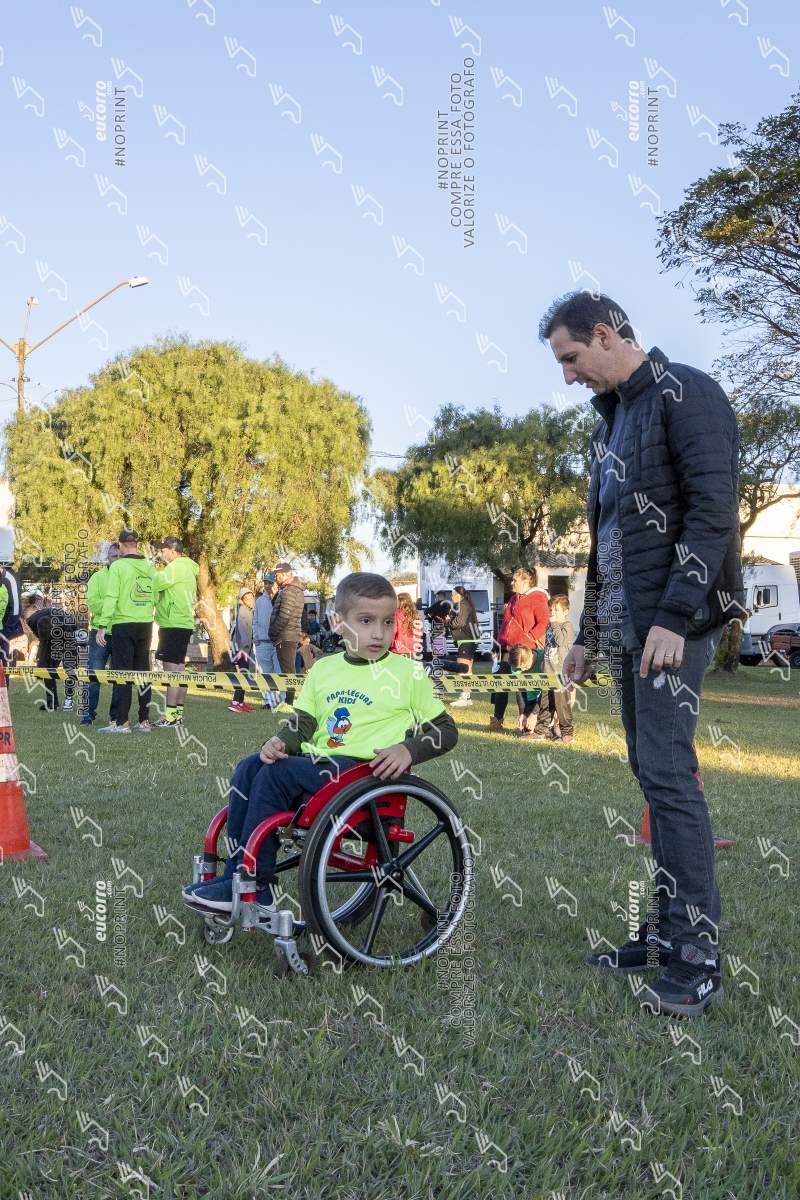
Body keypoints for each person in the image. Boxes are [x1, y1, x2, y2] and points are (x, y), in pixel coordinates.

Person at [541, 289, 742, 1016]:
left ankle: (696, 956)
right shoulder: (612, 421)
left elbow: (712, 513)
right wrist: (587, 637)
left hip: (672, 626)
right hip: (630, 630)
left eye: (570, 358)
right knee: (653, 775)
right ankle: (662, 934)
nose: (568, 376)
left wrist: (675, 616)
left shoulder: (688, 393)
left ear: (604, 333)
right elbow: (608, 543)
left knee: (669, 774)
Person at [183, 571, 458, 913]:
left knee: (277, 774)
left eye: (387, 622)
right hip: (321, 772)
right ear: (339, 623)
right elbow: (303, 724)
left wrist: (408, 750)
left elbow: (446, 730)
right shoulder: (324, 669)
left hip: (367, 777)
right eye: (366, 621)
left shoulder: (408, 673)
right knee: (250, 767)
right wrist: (281, 741)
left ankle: (255, 882)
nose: (379, 632)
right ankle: (236, 874)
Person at [96, 529, 156, 733]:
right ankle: (144, 720)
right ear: (137, 545)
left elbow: (111, 597)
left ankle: (122, 722)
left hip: (123, 623)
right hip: (145, 624)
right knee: (143, 672)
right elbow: (155, 594)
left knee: (123, 673)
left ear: (120, 545)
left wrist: (102, 625)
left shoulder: (118, 566)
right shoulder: (149, 566)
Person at [489, 568, 550, 732]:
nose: (512, 583)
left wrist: (528, 638)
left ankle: (524, 722)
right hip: (507, 649)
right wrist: (498, 644)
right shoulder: (514, 598)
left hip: (525, 651)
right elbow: (506, 624)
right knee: (500, 683)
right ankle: (497, 720)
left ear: (526, 581)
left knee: (522, 687)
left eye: (515, 580)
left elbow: (544, 622)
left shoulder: (538, 597)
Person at [151, 537, 200, 728]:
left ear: (172, 551)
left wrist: (151, 573)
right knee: (179, 670)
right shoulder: (187, 567)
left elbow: (156, 583)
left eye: (163, 550)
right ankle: (177, 714)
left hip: (173, 623)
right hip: (182, 622)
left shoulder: (176, 567)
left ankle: (171, 717)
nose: (161, 554)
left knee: (171, 671)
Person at [82, 542, 122, 725]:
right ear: (108, 557)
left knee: (119, 678)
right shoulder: (97, 578)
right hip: (100, 633)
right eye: (114, 556)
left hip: (121, 633)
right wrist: (113, 606)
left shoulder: (127, 577)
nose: (117, 560)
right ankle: (88, 714)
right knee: (93, 675)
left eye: (120, 557)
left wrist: (109, 606)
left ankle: (116, 716)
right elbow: (93, 603)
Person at [22, 592, 79, 713]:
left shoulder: (64, 620)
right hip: (48, 641)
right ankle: (52, 703)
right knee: (45, 668)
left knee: (69, 667)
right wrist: (42, 650)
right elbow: (40, 638)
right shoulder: (31, 620)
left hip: (67, 636)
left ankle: (69, 699)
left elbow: (73, 635)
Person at [268, 561, 305, 712]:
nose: (276, 577)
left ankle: (289, 703)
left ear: (287, 574)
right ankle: (288, 701)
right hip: (289, 635)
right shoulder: (289, 590)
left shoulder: (290, 591)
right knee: (288, 670)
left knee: (288, 671)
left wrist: (273, 632)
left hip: (286, 635)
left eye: (278, 575)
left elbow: (284, 615)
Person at [491, 643, 546, 737]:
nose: (523, 670)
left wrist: (534, 714)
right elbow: (521, 691)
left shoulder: (544, 661)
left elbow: (546, 694)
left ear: (531, 655)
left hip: (547, 696)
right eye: (520, 668)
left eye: (525, 666)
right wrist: (523, 713)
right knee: (527, 728)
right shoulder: (516, 667)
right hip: (531, 696)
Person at [543, 594, 576, 744]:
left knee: (562, 705)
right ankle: (543, 730)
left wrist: (555, 624)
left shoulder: (567, 626)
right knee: (545, 703)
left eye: (556, 610)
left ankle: (567, 733)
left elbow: (560, 641)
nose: (552, 613)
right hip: (548, 670)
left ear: (565, 611)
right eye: (551, 610)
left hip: (561, 672)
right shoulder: (549, 626)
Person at [447, 586, 481, 709]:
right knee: (468, 670)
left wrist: (448, 622)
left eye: (453, 594)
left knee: (462, 669)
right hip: (468, 639)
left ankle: (464, 698)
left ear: (459, 595)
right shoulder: (464, 604)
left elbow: (459, 622)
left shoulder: (463, 604)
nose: (451, 596)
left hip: (467, 639)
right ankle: (467, 697)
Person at [252, 574, 280, 710]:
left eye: (270, 583)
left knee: (278, 672)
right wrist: (256, 637)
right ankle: (268, 701)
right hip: (262, 642)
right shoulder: (259, 601)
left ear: (276, 584)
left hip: (277, 643)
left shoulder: (280, 598)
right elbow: (255, 621)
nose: (268, 585)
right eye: (266, 583)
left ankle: (281, 701)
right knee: (265, 673)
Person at [229, 587, 256, 713]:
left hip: (245, 648)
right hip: (242, 649)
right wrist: (245, 647)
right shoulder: (243, 611)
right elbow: (242, 630)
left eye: (251, 598)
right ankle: (236, 702)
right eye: (247, 599)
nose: (250, 601)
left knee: (244, 674)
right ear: (243, 600)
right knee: (244, 675)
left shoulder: (248, 610)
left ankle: (240, 701)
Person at [0, 562, 27, 668]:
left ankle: (4, 677)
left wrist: (6, 629)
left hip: (4, 628)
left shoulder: (9, 579)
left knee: (3, 660)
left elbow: (15, 609)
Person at [424, 590, 452, 659]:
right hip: (445, 629)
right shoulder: (448, 605)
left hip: (438, 628)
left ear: (439, 596)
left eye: (436, 597)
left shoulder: (438, 604)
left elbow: (426, 612)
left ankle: (438, 663)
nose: (435, 599)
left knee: (437, 651)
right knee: (443, 648)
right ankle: (445, 661)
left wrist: (430, 615)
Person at [390, 591, 418, 657]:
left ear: (401, 601)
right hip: (412, 650)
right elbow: (418, 633)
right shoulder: (415, 614)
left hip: (398, 649)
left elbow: (393, 632)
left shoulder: (396, 613)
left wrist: (390, 645)